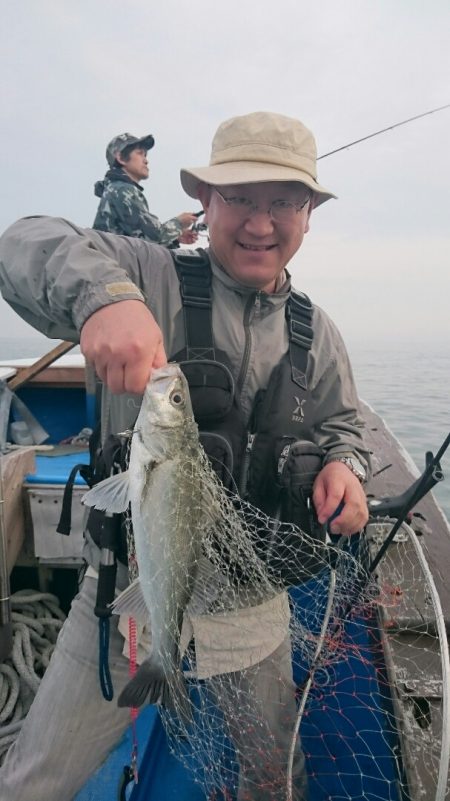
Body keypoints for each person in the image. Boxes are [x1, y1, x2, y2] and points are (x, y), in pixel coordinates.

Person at [0, 111, 370, 801]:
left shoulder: (318, 334)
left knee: (272, 776)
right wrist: (104, 300)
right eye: (240, 197)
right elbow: (21, 244)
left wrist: (343, 464)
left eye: (284, 200)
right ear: (205, 201)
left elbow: (344, 423)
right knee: (30, 785)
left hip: (254, 612)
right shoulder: (146, 270)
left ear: (310, 214)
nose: (262, 222)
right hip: (124, 605)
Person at [93, 131, 199, 246]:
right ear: (121, 158)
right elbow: (155, 237)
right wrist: (179, 223)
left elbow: (141, 242)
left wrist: (176, 238)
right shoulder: (122, 190)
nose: (146, 160)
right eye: (140, 153)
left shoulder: (114, 189)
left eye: (145, 155)